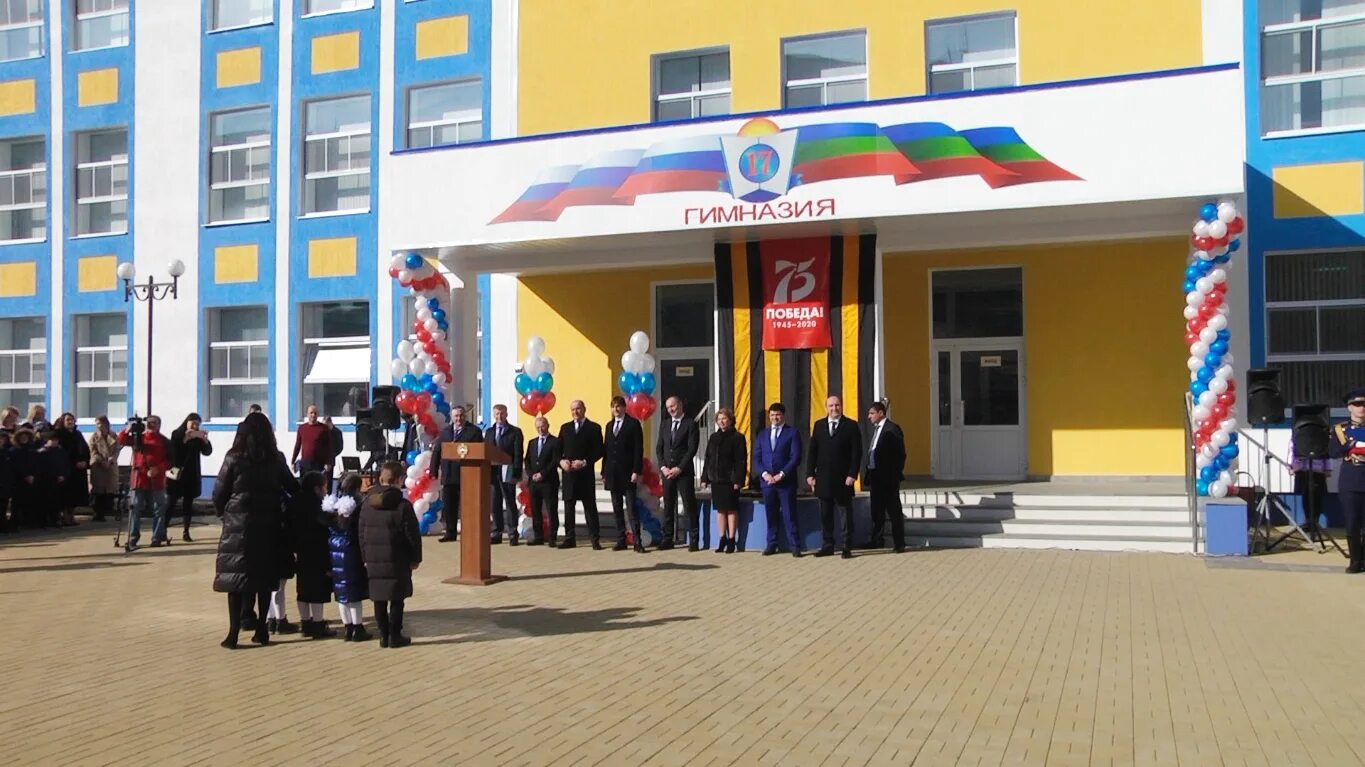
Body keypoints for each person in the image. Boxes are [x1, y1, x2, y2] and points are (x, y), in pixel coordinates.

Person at [212, 411, 301, 649]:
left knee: (236, 580)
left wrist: (226, 514)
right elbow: (292, 487)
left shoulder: (234, 457)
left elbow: (219, 492)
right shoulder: (275, 458)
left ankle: (233, 633)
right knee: (263, 578)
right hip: (268, 524)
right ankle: (262, 628)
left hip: (238, 525)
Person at [359, 461, 422, 649]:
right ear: (399, 480)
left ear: (380, 479)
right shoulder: (403, 506)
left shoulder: (366, 504)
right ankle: (395, 635)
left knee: (378, 598)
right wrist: (415, 557)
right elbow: (412, 534)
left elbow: (360, 533)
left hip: (373, 558)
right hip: (397, 558)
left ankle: (383, 635)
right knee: (396, 598)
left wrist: (364, 556)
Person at [807, 396, 863, 559]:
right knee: (825, 514)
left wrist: (852, 474)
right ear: (826, 407)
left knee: (845, 514)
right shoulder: (819, 426)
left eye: (837, 405)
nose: (834, 408)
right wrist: (810, 474)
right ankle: (828, 545)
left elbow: (856, 453)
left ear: (841, 406)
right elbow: (812, 452)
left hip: (843, 479)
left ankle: (846, 546)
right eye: (831, 405)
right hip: (823, 479)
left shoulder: (851, 426)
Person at [324, 473, 371, 641]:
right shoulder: (357, 505)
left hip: (334, 549)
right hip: (351, 550)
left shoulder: (332, 505)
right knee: (354, 593)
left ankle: (348, 627)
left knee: (341, 593)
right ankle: (357, 628)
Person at [118, 415, 173, 551]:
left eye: (154, 423)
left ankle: (157, 537)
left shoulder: (164, 441)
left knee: (159, 508)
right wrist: (128, 429)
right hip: (138, 478)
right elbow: (122, 440)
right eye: (149, 423)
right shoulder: (139, 438)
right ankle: (132, 538)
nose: (151, 425)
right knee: (135, 508)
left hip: (156, 479)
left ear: (159, 425)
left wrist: (158, 469)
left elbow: (170, 460)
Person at [292, 472, 336, 639]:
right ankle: (318, 624)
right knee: (318, 589)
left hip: (301, 551)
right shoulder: (319, 506)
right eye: (324, 487)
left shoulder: (296, 502)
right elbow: (325, 527)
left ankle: (305, 623)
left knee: (302, 589)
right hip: (318, 552)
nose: (326, 490)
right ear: (317, 488)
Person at [429, 405, 483, 543]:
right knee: (449, 506)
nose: (459, 419)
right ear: (452, 418)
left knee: (468, 506)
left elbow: (479, 451)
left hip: (467, 474)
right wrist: (433, 471)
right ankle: (450, 533)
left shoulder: (474, 431)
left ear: (465, 416)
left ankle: (470, 533)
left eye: (461, 416)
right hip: (448, 475)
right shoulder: (445, 432)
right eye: (456, 416)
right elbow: (437, 451)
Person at [756, 402, 803, 557]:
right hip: (767, 482)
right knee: (771, 514)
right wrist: (765, 474)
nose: (775, 418)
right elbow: (757, 458)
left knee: (789, 514)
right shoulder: (763, 434)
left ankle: (795, 546)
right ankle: (771, 544)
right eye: (772, 415)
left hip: (785, 482)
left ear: (783, 415)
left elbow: (795, 457)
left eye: (777, 415)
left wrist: (781, 474)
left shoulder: (792, 432)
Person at [557, 400, 603, 549]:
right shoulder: (565, 428)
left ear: (584, 409)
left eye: (578, 409)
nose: (575, 412)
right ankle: (570, 538)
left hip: (585, 474)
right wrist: (561, 462)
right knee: (569, 507)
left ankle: (595, 539)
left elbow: (598, 451)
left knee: (589, 507)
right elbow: (557, 450)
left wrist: (584, 462)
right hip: (569, 474)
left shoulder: (594, 428)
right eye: (573, 410)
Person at [863, 402, 907, 552]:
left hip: (888, 478)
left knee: (893, 510)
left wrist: (893, 474)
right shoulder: (876, 430)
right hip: (875, 476)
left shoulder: (892, 429)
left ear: (881, 413)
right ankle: (877, 539)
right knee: (877, 510)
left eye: (872, 413)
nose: (869, 417)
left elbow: (900, 454)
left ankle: (899, 543)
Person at [602, 396, 644, 552]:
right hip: (612, 473)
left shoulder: (633, 424)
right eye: (613, 407)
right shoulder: (609, 425)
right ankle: (621, 539)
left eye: (618, 406)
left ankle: (637, 540)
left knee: (631, 508)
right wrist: (604, 470)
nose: (616, 410)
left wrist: (636, 470)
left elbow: (638, 450)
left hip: (627, 473)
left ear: (624, 408)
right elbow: (607, 449)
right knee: (617, 507)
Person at [1330, 388, 1365, 574]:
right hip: (1351, 480)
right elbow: (1333, 453)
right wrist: (1349, 445)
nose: (1362, 408)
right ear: (1349, 407)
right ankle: (1355, 560)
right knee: (1352, 523)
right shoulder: (1340, 429)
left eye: (1364, 404)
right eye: (1357, 404)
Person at [702, 408, 747, 554]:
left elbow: (741, 461)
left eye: (724, 419)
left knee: (731, 510)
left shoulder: (737, 437)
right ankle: (722, 539)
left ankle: (732, 539)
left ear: (730, 420)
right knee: (720, 510)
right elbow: (708, 458)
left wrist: (738, 480)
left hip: (730, 479)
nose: (722, 421)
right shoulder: (714, 437)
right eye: (719, 419)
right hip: (716, 479)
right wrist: (705, 478)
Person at [657, 396, 699, 551]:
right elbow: (659, 448)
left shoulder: (690, 424)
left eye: (673, 406)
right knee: (668, 506)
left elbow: (691, 449)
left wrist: (679, 468)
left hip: (684, 472)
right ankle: (667, 539)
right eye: (668, 408)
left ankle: (693, 539)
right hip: (667, 472)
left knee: (689, 505)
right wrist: (663, 468)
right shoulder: (665, 424)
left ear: (680, 405)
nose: (671, 410)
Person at [168, 413, 213, 542]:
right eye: (193, 423)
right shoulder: (177, 434)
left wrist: (205, 440)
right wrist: (185, 440)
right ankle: (162, 529)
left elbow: (207, 452)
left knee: (188, 504)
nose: (195, 426)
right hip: (177, 473)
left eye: (197, 424)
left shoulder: (198, 436)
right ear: (187, 422)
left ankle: (186, 531)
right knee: (171, 502)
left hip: (191, 473)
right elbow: (173, 452)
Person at [485, 404, 525, 545]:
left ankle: (513, 533)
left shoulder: (514, 432)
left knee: (509, 503)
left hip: (508, 471)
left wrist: (516, 473)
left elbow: (518, 454)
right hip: (493, 473)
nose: (499, 416)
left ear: (506, 414)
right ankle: (496, 532)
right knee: (495, 503)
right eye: (496, 414)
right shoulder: (489, 432)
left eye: (502, 414)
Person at [525, 416, 561, 546]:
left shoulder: (555, 441)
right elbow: (527, 460)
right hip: (534, 482)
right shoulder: (532, 442)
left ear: (548, 425)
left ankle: (552, 537)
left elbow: (555, 461)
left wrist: (542, 474)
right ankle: (538, 536)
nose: (540, 429)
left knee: (551, 510)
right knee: (536, 510)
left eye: (543, 426)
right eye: (538, 427)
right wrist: (531, 474)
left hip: (548, 481)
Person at [53, 413, 88, 527]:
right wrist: (74, 462)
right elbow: (63, 453)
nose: (70, 422)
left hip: (79, 469)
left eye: (72, 419)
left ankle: (71, 516)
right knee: (66, 495)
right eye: (68, 420)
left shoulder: (78, 434)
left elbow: (85, 449)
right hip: (67, 469)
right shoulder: (60, 435)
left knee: (75, 495)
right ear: (63, 421)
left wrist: (84, 461)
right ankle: (65, 517)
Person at [87, 416, 121, 522]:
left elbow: (117, 449)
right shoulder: (94, 437)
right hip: (98, 466)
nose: (98, 426)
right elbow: (93, 451)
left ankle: (108, 510)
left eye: (100, 423)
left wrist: (112, 459)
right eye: (96, 424)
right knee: (98, 490)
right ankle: (97, 512)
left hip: (110, 466)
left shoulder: (114, 436)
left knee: (109, 488)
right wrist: (102, 461)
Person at [35, 431, 68, 528]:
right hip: (45, 480)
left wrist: (63, 475)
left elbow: (65, 465)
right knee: (45, 502)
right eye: (52, 440)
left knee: (56, 502)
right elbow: (41, 467)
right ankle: (43, 521)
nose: (54, 442)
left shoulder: (61, 451)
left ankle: (55, 520)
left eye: (56, 440)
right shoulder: (42, 452)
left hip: (59, 481)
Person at [291, 405, 334, 478]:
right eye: (311, 413)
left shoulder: (324, 428)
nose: (313, 415)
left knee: (317, 486)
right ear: (307, 414)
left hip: (319, 463)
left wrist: (328, 462)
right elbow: (298, 445)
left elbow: (329, 447)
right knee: (305, 486)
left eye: (315, 413)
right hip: (305, 463)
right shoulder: (302, 428)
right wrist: (293, 461)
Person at [9, 427, 37, 528]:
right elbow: (15, 465)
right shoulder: (13, 451)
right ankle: (15, 522)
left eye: (26, 437)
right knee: (17, 502)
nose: (24, 438)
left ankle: (27, 521)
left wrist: (32, 475)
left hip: (31, 479)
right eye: (22, 437)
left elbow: (35, 464)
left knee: (29, 501)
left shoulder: (32, 450)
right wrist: (25, 475)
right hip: (18, 480)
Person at [0, 429, 11, 533]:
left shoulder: (7, 451)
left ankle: (3, 524)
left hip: (5, 481)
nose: (1, 440)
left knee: (4, 504)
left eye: (3, 438)